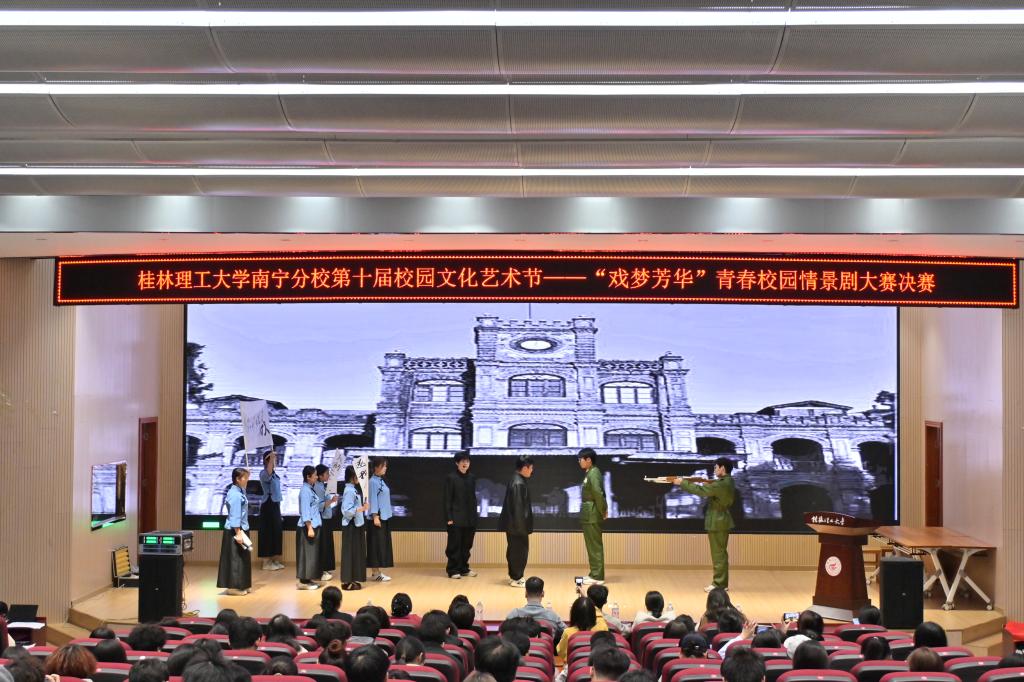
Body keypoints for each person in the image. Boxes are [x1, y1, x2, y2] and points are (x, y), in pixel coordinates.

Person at [672, 457, 736, 592]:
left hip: (717, 521)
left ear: (722, 468)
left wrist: (683, 483)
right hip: (720, 520)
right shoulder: (727, 481)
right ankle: (721, 583)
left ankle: (719, 584)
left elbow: (700, 491)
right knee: (720, 554)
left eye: (716, 467)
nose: (714, 470)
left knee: (718, 555)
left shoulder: (721, 484)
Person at [498, 455, 535, 587]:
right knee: (519, 552)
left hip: (514, 525)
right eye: (531, 468)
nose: (532, 470)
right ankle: (517, 578)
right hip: (517, 526)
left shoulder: (516, 479)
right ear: (524, 468)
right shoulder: (518, 483)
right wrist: (521, 528)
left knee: (514, 551)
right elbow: (518, 508)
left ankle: (514, 576)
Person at [217, 467, 253, 596]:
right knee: (235, 559)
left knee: (242, 559)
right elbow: (235, 514)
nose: (247, 480)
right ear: (238, 479)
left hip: (242, 528)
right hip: (235, 530)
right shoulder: (235, 494)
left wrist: (247, 472)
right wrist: (238, 533)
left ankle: (243, 584)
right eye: (245, 478)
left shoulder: (239, 491)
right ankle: (233, 587)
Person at [444, 451, 478, 580]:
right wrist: (449, 518)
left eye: (467, 461)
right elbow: (447, 499)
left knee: (467, 545)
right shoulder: (451, 478)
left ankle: (464, 568)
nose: (465, 463)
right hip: (455, 518)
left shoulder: (472, 478)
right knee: (454, 545)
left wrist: (475, 517)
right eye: (462, 461)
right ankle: (453, 570)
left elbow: (473, 499)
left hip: (470, 518)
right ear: (457, 463)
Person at [577, 448, 607, 585]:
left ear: (588, 460)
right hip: (588, 512)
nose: (579, 462)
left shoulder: (594, 472)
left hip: (593, 512)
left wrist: (603, 510)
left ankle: (598, 576)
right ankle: (594, 573)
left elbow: (597, 493)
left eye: (580, 459)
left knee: (594, 546)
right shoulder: (589, 472)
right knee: (591, 545)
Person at [506, 577, 566, 642]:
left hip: (520, 648)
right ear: (543, 593)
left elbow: (504, 633)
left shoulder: (514, 614)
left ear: (526, 594)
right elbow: (567, 633)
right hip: (546, 648)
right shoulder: (553, 616)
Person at [340, 465, 369, 590]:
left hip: (356, 524)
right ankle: (347, 581)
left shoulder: (352, 489)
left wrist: (361, 508)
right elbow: (347, 511)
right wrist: (362, 508)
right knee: (350, 553)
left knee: (355, 553)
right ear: (352, 477)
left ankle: (352, 578)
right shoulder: (349, 491)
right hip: (351, 526)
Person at [367, 457, 395, 583]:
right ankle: (375, 573)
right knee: (375, 546)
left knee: (380, 545)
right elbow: (372, 499)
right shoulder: (372, 482)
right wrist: (375, 516)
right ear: (377, 467)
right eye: (383, 466)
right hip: (377, 518)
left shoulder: (380, 480)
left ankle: (377, 572)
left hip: (384, 517)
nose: (385, 468)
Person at [296, 465, 323, 590]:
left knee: (311, 555)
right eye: (315, 475)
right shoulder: (305, 491)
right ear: (308, 476)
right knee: (306, 555)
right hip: (307, 527)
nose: (316, 477)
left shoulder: (310, 489)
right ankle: (303, 582)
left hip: (314, 525)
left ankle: (308, 579)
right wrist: (309, 527)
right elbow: (305, 510)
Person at [257, 451, 285, 571]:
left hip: (275, 505)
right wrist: (271, 457)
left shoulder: (275, 474)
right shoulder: (264, 473)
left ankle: (273, 560)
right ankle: (266, 562)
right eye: (273, 459)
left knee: (276, 532)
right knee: (267, 533)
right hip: (267, 505)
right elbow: (268, 473)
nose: (275, 461)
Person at [315, 464, 339, 582]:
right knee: (323, 545)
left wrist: (331, 501)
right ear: (320, 476)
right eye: (327, 473)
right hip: (322, 519)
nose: (328, 475)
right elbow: (319, 505)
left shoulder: (321, 486)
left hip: (326, 518)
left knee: (327, 544)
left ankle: (325, 569)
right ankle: (322, 570)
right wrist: (332, 501)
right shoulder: (318, 487)